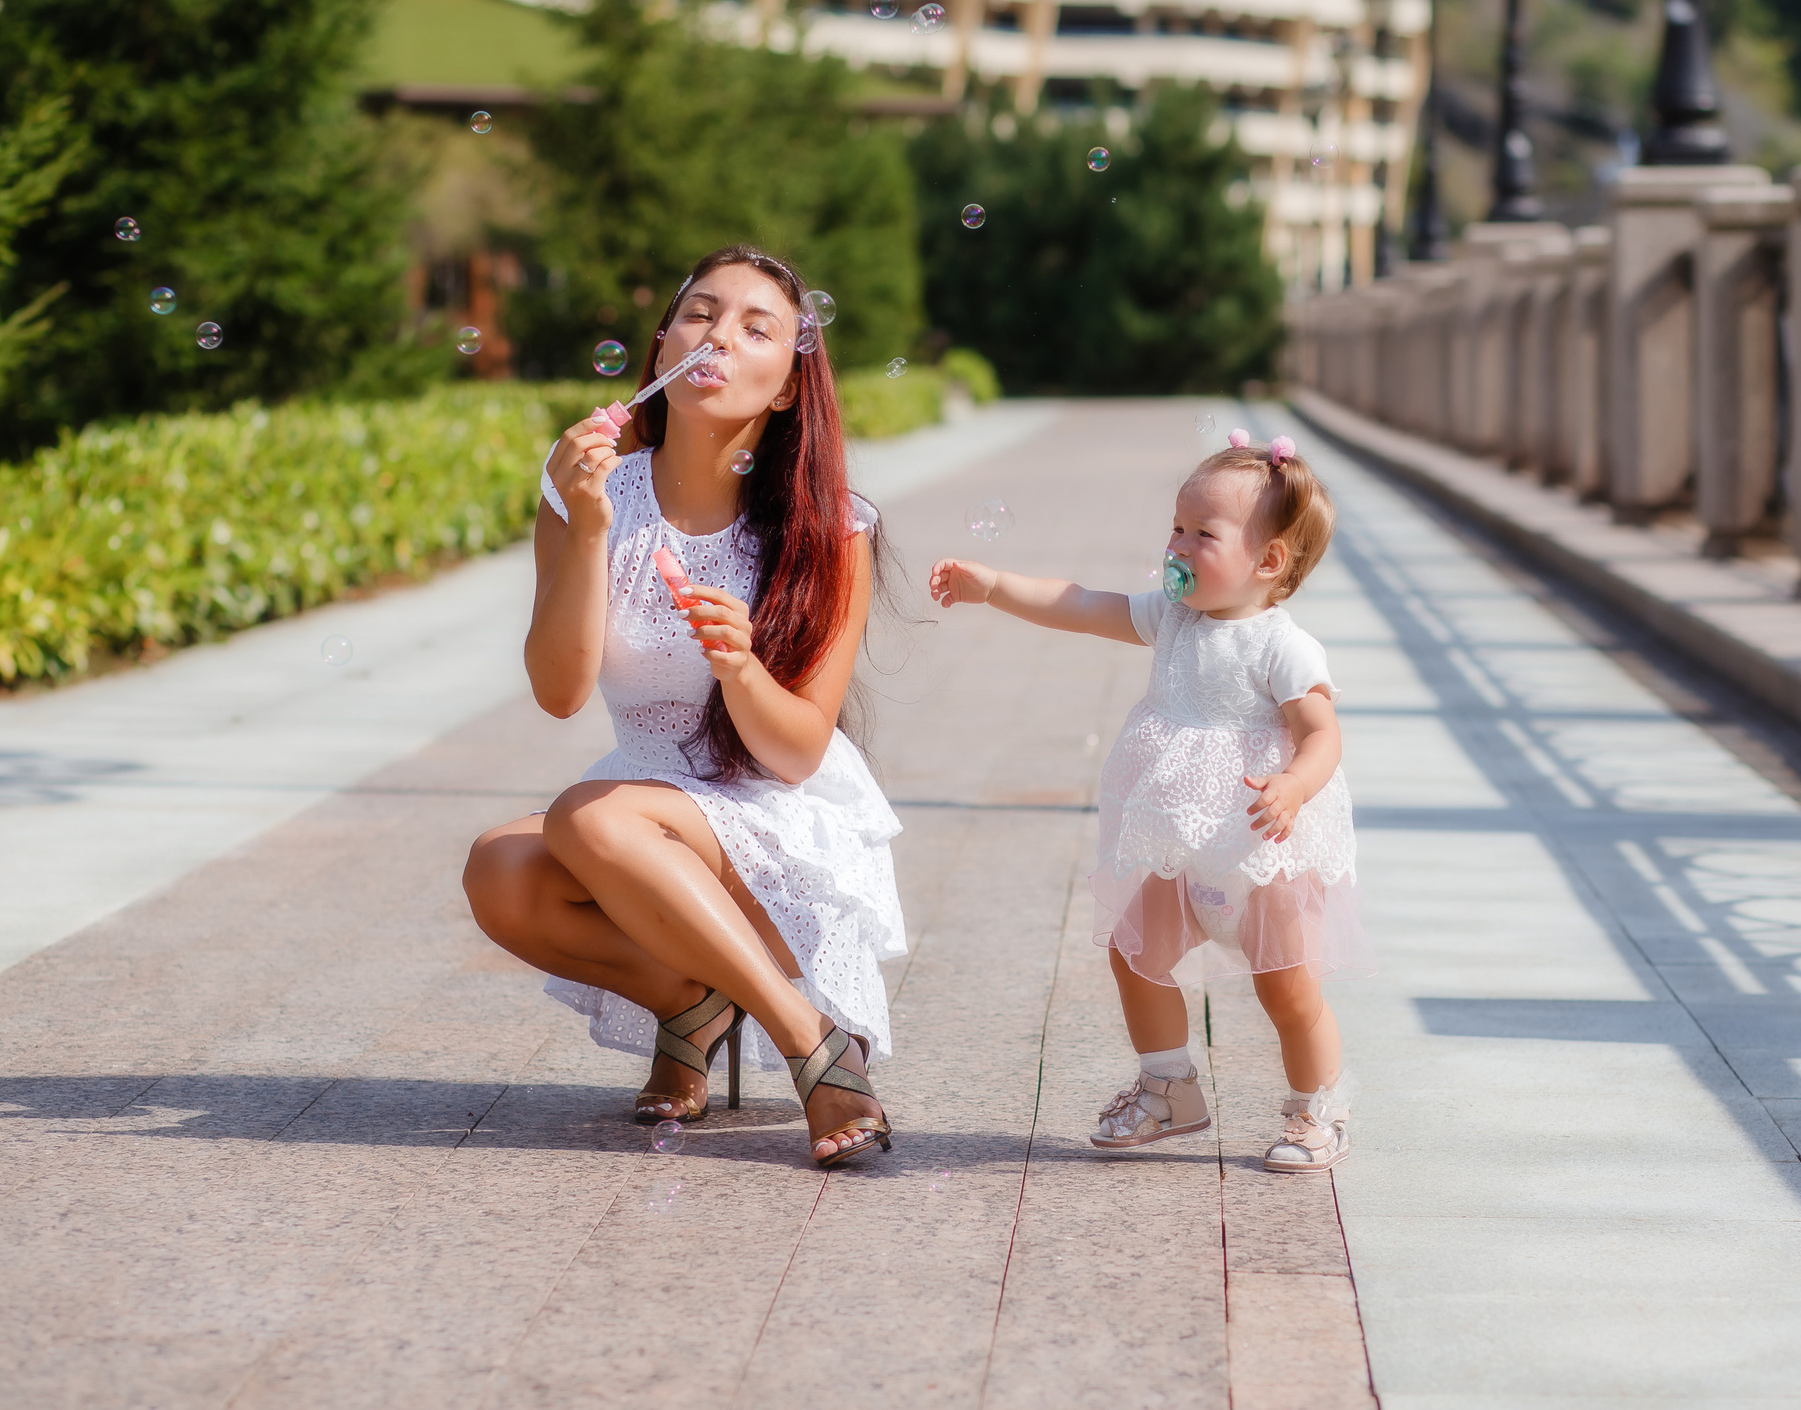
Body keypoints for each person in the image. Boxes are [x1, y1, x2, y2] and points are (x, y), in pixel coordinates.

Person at [462, 246, 902, 1169]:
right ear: (663, 344)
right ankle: (692, 1006)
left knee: (590, 814)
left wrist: (740, 667)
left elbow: (797, 753)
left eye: (757, 327)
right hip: (638, 815)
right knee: (501, 868)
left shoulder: (832, 526)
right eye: (699, 314)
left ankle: (809, 1043)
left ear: (787, 387)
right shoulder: (587, 487)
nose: (719, 337)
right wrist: (588, 530)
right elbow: (558, 690)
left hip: (781, 828)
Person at [928, 431, 1363, 1172]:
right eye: (1176, 526)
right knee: (1136, 952)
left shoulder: (1283, 647)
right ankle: (1170, 1087)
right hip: (1175, 837)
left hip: (1260, 843)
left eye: (1203, 534)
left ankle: (1319, 1106)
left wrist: (1294, 784)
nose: (1178, 546)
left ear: (1268, 561)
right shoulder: (1171, 618)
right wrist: (995, 584)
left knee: (1289, 992)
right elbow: (1082, 603)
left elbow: (1321, 732)